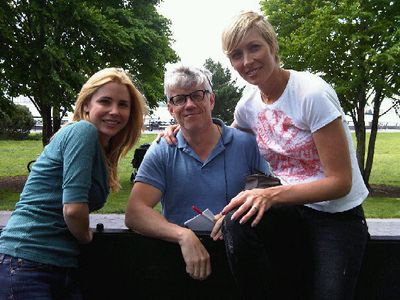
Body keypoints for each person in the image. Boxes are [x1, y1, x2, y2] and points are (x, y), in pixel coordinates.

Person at [161, 11, 369, 300]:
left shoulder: (311, 94)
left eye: (254, 47)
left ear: (272, 45)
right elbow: (221, 139)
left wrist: (269, 195)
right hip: (291, 213)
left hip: (336, 216)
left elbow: (340, 182)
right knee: (236, 223)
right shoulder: (248, 107)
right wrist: (182, 126)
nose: (246, 61)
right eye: (236, 54)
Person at [0, 67, 145, 300]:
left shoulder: (101, 149)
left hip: (57, 266)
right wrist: (86, 236)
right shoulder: (83, 131)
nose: (114, 111)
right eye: (105, 101)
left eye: (123, 104)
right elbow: (74, 209)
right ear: (87, 104)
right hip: (27, 261)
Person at [124, 64, 269, 281]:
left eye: (197, 95)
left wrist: (233, 216)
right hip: (182, 264)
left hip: (240, 263)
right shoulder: (163, 151)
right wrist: (183, 235)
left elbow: (268, 197)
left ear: (211, 100)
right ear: (171, 109)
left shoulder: (248, 145)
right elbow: (135, 213)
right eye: (179, 99)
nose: (189, 104)